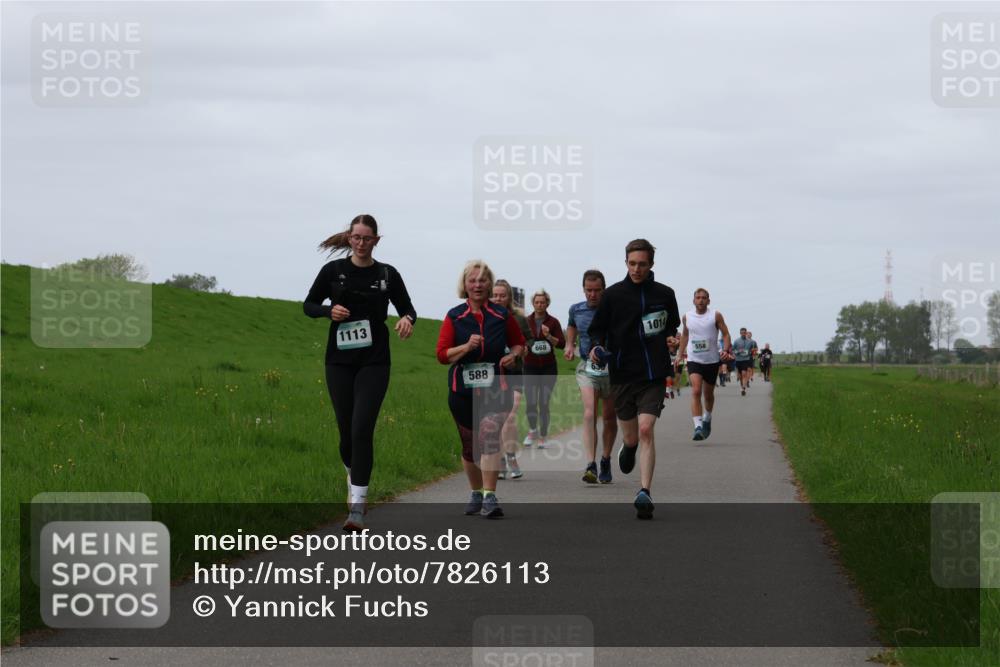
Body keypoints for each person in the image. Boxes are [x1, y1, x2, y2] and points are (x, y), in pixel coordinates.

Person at [304, 214, 416, 532]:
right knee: (346, 432)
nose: (361, 243)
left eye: (367, 238)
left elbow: (408, 307)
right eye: (356, 238)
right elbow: (309, 305)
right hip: (339, 361)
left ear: (376, 241)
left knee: (362, 428)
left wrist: (407, 319)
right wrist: (329, 311)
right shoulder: (333, 272)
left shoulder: (387, 274)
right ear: (349, 238)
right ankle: (352, 477)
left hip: (375, 360)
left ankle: (358, 508)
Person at [588, 239, 680, 520]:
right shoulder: (613, 296)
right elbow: (597, 331)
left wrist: (672, 339)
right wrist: (595, 348)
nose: (637, 269)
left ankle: (644, 492)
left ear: (651, 264)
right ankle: (627, 449)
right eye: (632, 264)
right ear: (625, 263)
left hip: (653, 373)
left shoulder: (665, 293)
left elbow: (671, 326)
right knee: (631, 437)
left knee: (645, 430)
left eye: (642, 264)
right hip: (623, 374)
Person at [436, 261, 525, 519]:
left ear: (489, 284)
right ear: (465, 284)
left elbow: (519, 343)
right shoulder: (454, 316)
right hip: (462, 392)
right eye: (472, 280)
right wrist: (465, 347)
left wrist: (514, 356)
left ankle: (490, 495)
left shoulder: (501, 315)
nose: (477, 285)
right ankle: (476, 491)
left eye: (482, 280)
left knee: (488, 435)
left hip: (497, 388)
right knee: (469, 448)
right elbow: (442, 355)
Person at [564, 270, 617, 484]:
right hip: (587, 367)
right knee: (589, 414)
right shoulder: (576, 309)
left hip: (612, 368)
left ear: (604, 289)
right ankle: (590, 464)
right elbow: (571, 326)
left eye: (596, 290)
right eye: (588, 290)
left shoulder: (614, 309)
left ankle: (605, 459)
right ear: (583, 289)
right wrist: (569, 344)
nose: (592, 295)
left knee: (609, 417)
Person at [675, 288, 733, 441]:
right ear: (693, 300)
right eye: (698, 297)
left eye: (704, 298)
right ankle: (698, 426)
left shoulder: (715, 315)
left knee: (708, 395)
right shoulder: (687, 317)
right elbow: (685, 335)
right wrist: (679, 355)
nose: (700, 300)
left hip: (712, 360)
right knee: (695, 391)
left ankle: (707, 417)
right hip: (694, 360)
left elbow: (726, 334)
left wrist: (726, 349)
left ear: (708, 301)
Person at [491, 279, 529, 479]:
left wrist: (523, 348)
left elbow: (528, 339)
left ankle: (511, 456)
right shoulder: (485, 317)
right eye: (495, 295)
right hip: (493, 374)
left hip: (514, 372)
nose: (498, 299)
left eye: (502, 295)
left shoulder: (519, 320)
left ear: (509, 298)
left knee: (511, 415)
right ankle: (499, 459)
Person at [522, 289, 565, 449]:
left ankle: (543, 436)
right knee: (531, 402)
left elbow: (561, 344)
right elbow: (520, 340)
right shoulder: (526, 321)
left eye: (542, 302)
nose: (539, 305)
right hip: (530, 366)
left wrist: (548, 336)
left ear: (547, 304)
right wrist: (524, 347)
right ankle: (532, 430)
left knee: (544, 402)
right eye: (537, 302)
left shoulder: (553, 322)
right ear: (533, 304)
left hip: (548, 368)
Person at [732, 328, 754, 396]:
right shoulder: (736, 341)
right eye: (742, 333)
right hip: (738, 360)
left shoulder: (750, 342)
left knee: (744, 373)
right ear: (740, 333)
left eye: (744, 332)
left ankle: (743, 388)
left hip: (746, 359)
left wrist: (751, 352)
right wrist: (738, 352)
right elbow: (732, 350)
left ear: (746, 333)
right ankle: (742, 386)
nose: (743, 334)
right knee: (741, 376)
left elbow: (752, 350)